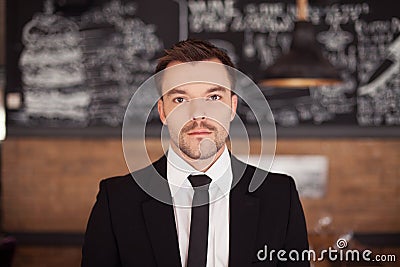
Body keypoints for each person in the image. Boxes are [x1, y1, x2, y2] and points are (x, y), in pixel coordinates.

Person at [82, 39, 309, 267]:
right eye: (180, 100)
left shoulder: (280, 197)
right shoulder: (116, 201)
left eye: (213, 98)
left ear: (232, 107)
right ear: (162, 112)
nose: (198, 114)